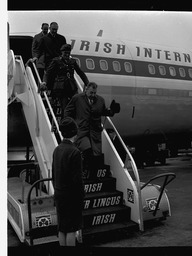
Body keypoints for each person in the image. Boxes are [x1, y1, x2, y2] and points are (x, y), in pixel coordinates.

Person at [64, 82, 120, 172]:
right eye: (91, 93)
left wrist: (112, 111)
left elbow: (103, 112)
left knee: (96, 156)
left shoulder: (100, 100)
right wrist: (69, 123)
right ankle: (84, 171)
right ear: (86, 90)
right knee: (87, 150)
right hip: (82, 132)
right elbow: (67, 111)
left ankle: (91, 173)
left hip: (94, 133)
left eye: (94, 93)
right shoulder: (77, 99)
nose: (93, 95)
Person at [52, 117, 84, 246]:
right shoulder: (75, 152)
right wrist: (81, 197)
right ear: (74, 133)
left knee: (62, 228)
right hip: (72, 196)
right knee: (71, 229)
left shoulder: (57, 149)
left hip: (59, 194)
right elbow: (77, 180)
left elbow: (54, 174)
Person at [41, 44, 89, 118]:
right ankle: (65, 123)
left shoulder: (72, 62)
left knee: (77, 102)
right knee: (65, 107)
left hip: (71, 87)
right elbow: (48, 73)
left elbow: (80, 73)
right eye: (65, 53)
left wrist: (87, 83)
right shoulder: (56, 61)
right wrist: (44, 82)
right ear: (62, 53)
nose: (67, 55)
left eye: (68, 53)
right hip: (61, 89)